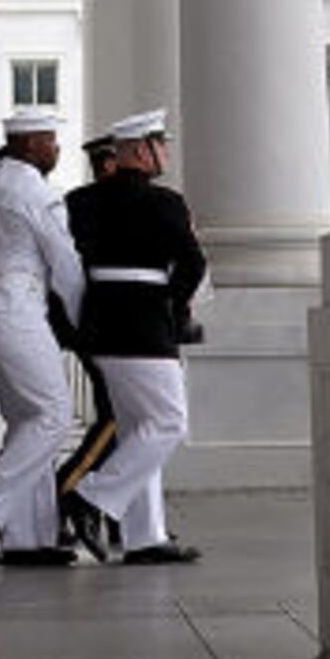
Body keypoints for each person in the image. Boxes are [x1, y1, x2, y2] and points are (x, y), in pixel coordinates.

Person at [59, 107, 205, 565]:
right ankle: (92, 498)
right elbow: (193, 265)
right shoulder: (166, 202)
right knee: (167, 422)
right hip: (144, 324)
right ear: (143, 151)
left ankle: (145, 537)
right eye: (160, 146)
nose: (164, 155)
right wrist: (174, 304)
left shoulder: (80, 202)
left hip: (99, 322)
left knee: (140, 427)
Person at [0, 106, 87, 566]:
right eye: (50, 140)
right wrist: (85, 322)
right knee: (53, 416)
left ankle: (29, 538)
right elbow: (65, 265)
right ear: (28, 145)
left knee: (27, 421)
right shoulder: (38, 193)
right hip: (19, 306)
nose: (56, 149)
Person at [54, 130, 125, 516]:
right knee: (119, 417)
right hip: (114, 322)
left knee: (117, 415)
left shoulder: (74, 202)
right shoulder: (130, 202)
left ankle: (110, 510)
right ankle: (68, 491)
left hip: (86, 321)